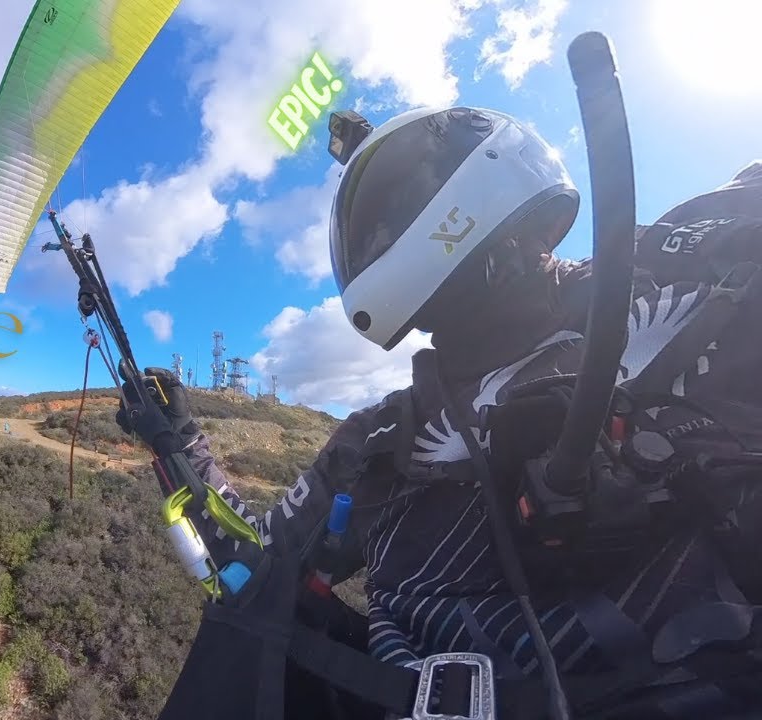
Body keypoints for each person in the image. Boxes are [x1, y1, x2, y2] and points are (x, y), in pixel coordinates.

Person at [118, 106, 762, 719]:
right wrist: (176, 442)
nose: (375, 243)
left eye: (389, 219)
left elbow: (249, 560)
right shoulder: (379, 440)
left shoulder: (675, 261)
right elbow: (254, 564)